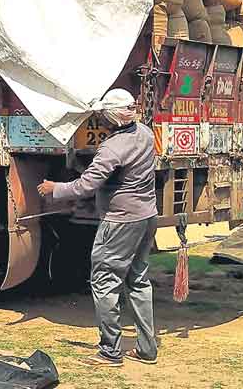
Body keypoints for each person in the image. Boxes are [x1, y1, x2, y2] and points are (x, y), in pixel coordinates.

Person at [37, 88, 159, 366]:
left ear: (112, 117)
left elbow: (85, 186)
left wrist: (55, 188)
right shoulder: (145, 133)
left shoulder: (112, 147)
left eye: (103, 115)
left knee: (105, 282)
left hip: (120, 222)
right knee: (138, 281)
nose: (100, 119)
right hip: (146, 216)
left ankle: (110, 352)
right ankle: (147, 349)